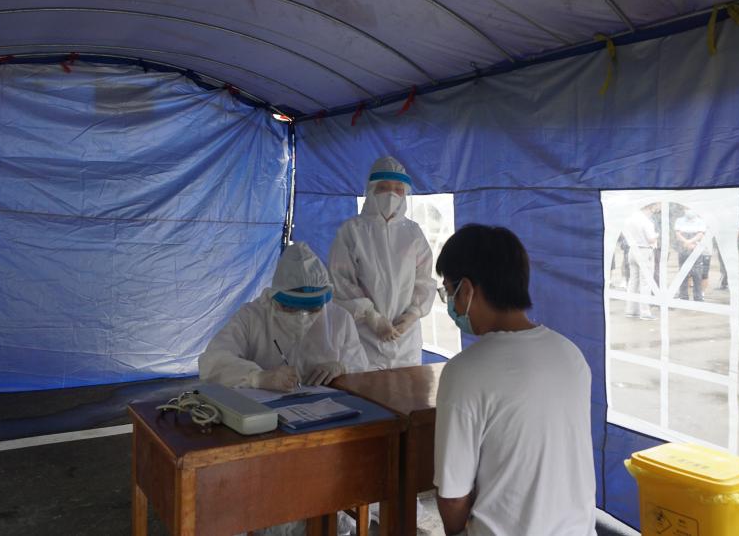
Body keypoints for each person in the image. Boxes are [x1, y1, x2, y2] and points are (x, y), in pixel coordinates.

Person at [433, 225, 596, 536]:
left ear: (466, 290)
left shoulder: (465, 371)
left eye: (448, 292)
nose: (452, 305)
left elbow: (453, 498)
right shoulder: (570, 354)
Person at [199, 242, 368, 391]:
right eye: (291, 308)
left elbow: (362, 366)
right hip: (261, 411)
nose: (302, 316)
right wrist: (256, 377)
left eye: (312, 309)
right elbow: (212, 362)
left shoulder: (340, 319)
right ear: (275, 298)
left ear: (324, 301)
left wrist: (343, 367)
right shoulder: (251, 317)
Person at [329, 156, 437, 369]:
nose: (391, 194)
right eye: (384, 187)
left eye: (398, 188)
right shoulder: (352, 231)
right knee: (366, 387)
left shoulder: (413, 233)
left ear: (405, 193)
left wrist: (413, 314)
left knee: (406, 388)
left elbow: (424, 279)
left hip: (406, 340)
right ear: (371, 190)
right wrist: (371, 316)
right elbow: (341, 281)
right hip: (364, 337)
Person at [622, 203, 660, 319]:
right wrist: (657, 235)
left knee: (633, 282)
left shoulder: (629, 219)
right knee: (645, 283)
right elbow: (651, 239)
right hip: (644, 251)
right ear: (650, 207)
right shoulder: (647, 222)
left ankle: (631, 310)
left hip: (632, 251)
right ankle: (645, 312)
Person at [674, 208, 707, 301]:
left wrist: (690, 242)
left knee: (697, 273)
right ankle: (683, 296)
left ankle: (698, 298)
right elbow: (678, 234)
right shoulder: (679, 220)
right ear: (684, 209)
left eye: (691, 209)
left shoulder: (700, 221)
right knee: (682, 273)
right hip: (683, 248)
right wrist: (686, 242)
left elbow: (700, 234)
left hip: (696, 247)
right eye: (687, 208)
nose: (689, 211)